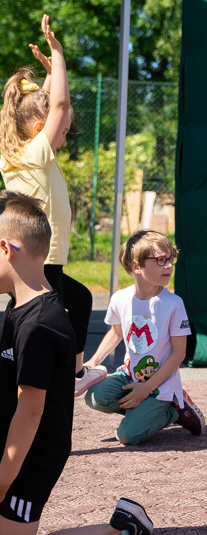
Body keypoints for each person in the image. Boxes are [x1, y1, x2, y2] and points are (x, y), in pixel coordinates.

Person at [0, 191, 152, 535]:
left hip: (31, 456)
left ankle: (124, 527)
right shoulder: (18, 305)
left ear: (6, 249)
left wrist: (3, 478)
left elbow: (30, 413)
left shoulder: (39, 326)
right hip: (12, 444)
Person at [0, 15, 105, 393]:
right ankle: (52, 379)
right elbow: (56, 105)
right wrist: (58, 55)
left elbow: (43, 107)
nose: (62, 139)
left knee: (73, 303)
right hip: (44, 258)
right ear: (38, 130)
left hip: (36, 256)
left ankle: (70, 375)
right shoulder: (35, 154)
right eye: (60, 132)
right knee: (44, 322)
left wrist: (47, 75)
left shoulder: (21, 153)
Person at [81, 230, 206, 445]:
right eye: (160, 260)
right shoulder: (120, 298)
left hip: (160, 386)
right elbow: (116, 332)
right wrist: (93, 362)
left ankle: (173, 410)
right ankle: (145, 413)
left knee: (127, 436)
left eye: (170, 259)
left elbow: (179, 354)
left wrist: (146, 389)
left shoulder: (174, 304)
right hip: (130, 376)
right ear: (136, 267)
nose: (168, 266)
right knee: (94, 397)